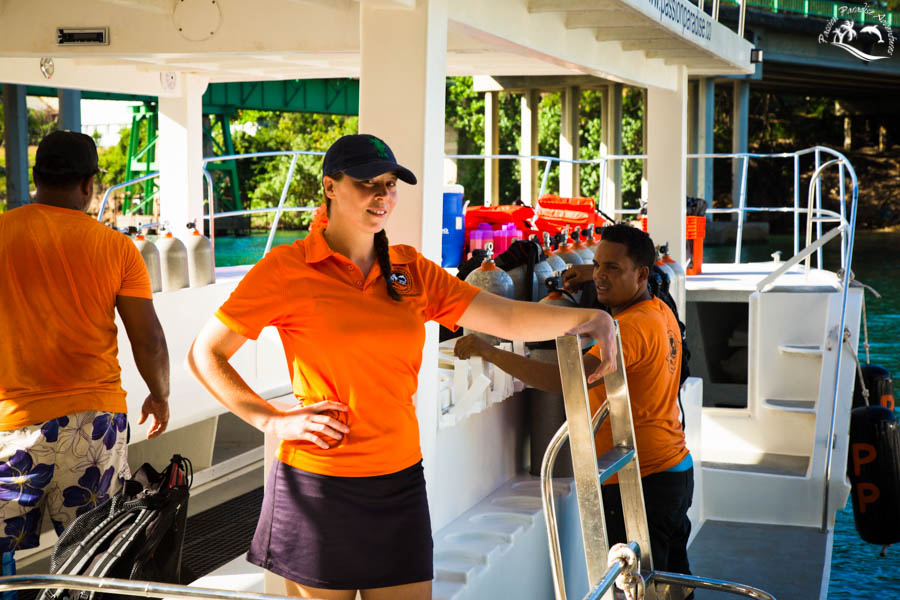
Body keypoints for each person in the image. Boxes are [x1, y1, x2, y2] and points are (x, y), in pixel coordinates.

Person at [186, 133, 618, 600]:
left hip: (400, 482)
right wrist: (271, 420)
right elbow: (205, 354)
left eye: (390, 183)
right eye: (367, 183)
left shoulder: (409, 270)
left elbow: (504, 314)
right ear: (330, 187)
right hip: (319, 486)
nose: (382, 195)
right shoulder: (286, 269)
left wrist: (590, 318)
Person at [454, 223, 694, 577]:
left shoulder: (629, 328)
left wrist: (489, 350)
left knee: (637, 588)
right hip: (673, 469)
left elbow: (565, 380)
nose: (600, 276)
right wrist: (590, 273)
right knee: (672, 583)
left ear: (642, 274)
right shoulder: (658, 310)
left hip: (643, 480)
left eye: (612, 268)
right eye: (597, 265)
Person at [0, 131, 170, 559]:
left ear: (35, 178)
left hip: (9, 423)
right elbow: (147, 338)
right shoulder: (117, 248)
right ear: (88, 184)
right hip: (94, 424)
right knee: (96, 557)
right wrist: (159, 394)